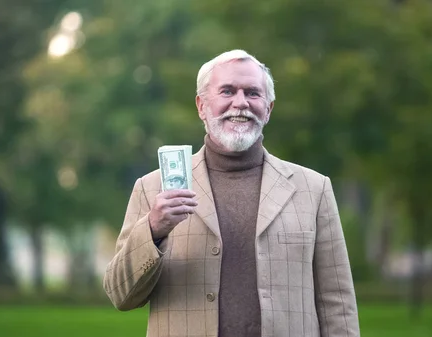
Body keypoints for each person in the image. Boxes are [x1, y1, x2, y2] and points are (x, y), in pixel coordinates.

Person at [103, 49, 360, 337]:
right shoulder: (153, 188)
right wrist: (153, 229)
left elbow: (337, 303)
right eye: (227, 91)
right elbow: (120, 295)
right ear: (202, 105)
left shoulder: (314, 189)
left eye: (252, 93)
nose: (240, 103)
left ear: (269, 108)